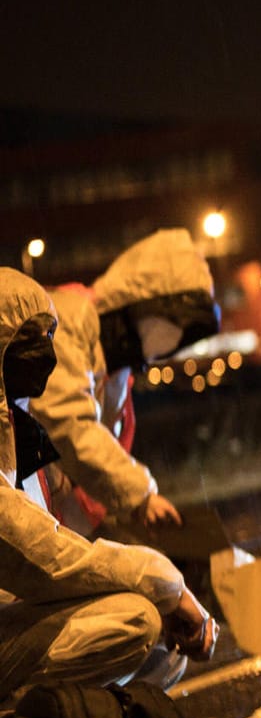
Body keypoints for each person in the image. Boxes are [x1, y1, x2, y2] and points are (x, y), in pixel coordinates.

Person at [0, 268, 215, 703]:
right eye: (29, 341)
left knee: (162, 646)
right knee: (136, 620)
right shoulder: (85, 331)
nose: (46, 356)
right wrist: (165, 580)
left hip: (15, 609)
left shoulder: (14, 429)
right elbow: (40, 555)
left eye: (47, 337)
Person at [31, 229, 220, 536]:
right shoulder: (68, 320)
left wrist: (126, 510)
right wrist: (140, 496)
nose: (167, 344)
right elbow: (70, 426)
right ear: (141, 303)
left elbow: (100, 455)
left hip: (54, 528)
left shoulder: (116, 371)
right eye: (171, 323)